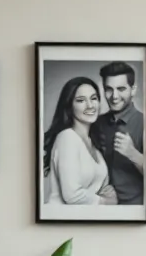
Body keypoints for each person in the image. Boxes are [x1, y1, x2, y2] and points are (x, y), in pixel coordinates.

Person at [42, 76, 116, 205]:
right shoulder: (67, 138)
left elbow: (100, 188)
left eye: (94, 98)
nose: (90, 105)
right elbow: (72, 196)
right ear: (69, 106)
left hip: (83, 220)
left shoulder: (94, 142)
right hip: (59, 222)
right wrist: (105, 201)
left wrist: (108, 192)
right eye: (81, 100)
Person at [89, 61, 145, 206]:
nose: (114, 96)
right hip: (101, 209)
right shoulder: (95, 123)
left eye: (121, 89)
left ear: (133, 90)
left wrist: (133, 154)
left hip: (134, 212)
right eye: (109, 89)